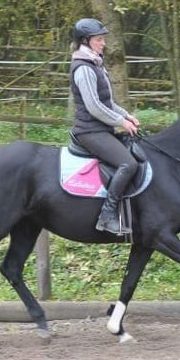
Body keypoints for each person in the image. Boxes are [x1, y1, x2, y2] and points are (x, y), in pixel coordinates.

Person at [69, 17, 140, 235]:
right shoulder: (84, 68)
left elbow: (107, 103)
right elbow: (94, 107)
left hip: (100, 129)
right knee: (128, 164)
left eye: (103, 40)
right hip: (89, 131)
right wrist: (121, 122)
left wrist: (128, 115)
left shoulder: (96, 64)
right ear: (86, 41)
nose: (103, 44)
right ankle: (107, 217)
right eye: (99, 40)